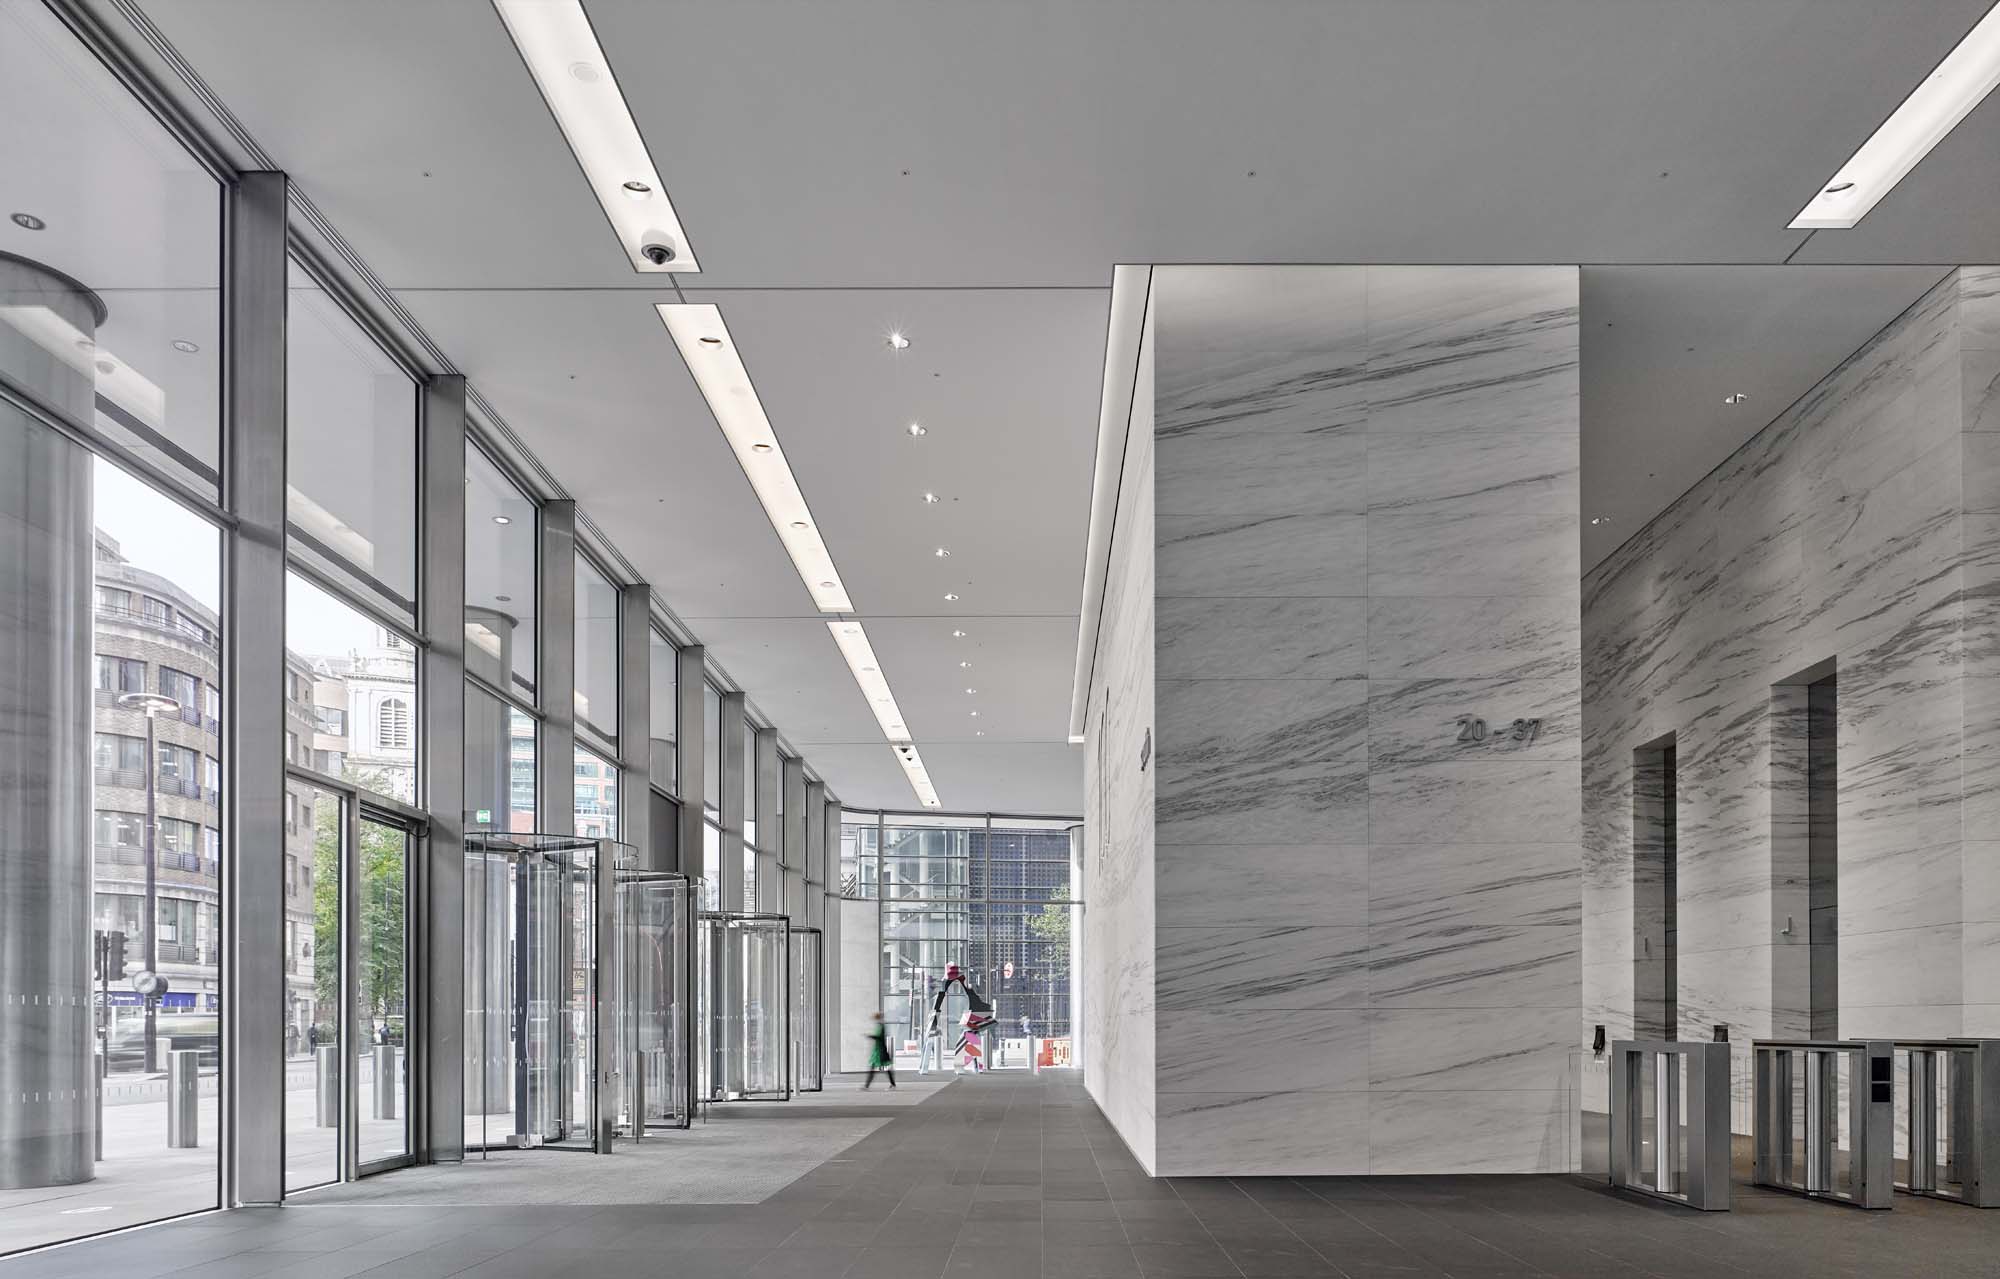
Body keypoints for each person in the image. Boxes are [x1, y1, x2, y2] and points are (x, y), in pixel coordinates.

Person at [863, 1012, 895, 1089]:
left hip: (880, 1051)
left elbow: (879, 1037)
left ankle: (867, 1086)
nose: (875, 1020)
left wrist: (870, 1036)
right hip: (878, 1050)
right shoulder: (880, 1026)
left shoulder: (881, 1027)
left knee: (884, 1068)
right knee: (880, 1068)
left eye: (876, 1019)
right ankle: (867, 1085)